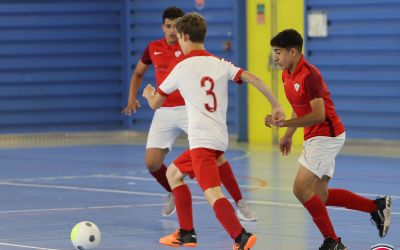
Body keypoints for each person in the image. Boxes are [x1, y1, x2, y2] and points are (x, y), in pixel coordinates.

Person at [142, 12, 285, 250]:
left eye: (178, 38)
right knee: (173, 174)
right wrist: (276, 105)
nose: (177, 42)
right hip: (218, 139)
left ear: (185, 36)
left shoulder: (180, 68)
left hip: (201, 142)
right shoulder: (220, 64)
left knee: (212, 193)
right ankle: (186, 233)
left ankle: (240, 237)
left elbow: (157, 103)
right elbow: (254, 78)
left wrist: (148, 95)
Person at [122, 6, 257, 220]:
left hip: (189, 108)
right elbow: (139, 72)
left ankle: (240, 202)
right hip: (164, 110)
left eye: (176, 27)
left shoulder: (190, 51)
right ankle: (172, 189)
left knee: (216, 157)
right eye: (168, 26)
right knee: (152, 162)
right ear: (162, 26)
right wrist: (132, 96)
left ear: (183, 32)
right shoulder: (153, 48)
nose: (172, 31)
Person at [266, 29, 392, 250]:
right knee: (319, 197)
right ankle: (376, 206)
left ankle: (332, 241)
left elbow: (318, 114)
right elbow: (299, 108)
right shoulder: (287, 74)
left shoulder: (310, 75)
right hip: (316, 136)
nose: (275, 57)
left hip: (326, 136)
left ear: (293, 52)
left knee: (300, 189)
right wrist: (287, 135)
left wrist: (284, 124)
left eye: (278, 52)